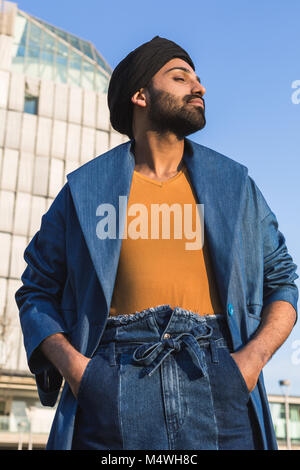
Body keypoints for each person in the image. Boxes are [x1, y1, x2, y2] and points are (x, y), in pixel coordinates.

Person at [15, 36, 298, 451]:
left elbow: (283, 280)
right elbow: (36, 292)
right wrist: (79, 372)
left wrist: (250, 362)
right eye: (180, 77)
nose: (198, 88)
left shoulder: (234, 184)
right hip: (111, 379)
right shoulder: (84, 190)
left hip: (218, 374)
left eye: (198, 80)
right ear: (140, 95)